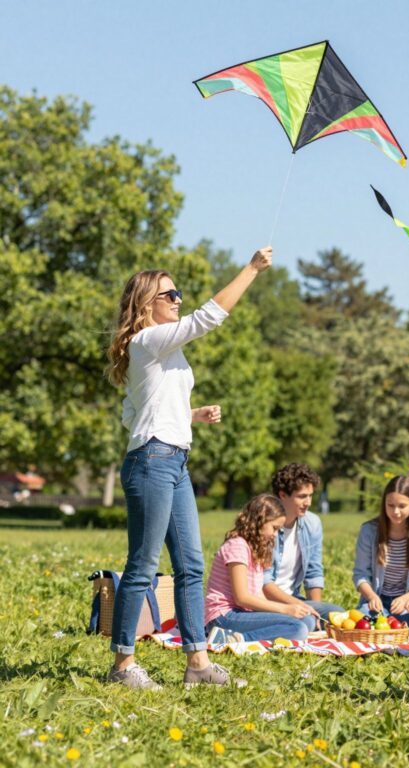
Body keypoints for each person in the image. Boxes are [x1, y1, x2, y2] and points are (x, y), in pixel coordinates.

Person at [104, 246, 272, 689]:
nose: (178, 299)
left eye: (178, 293)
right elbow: (208, 318)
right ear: (146, 305)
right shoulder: (148, 340)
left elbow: (131, 412)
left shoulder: (158, 351)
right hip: (153, 461)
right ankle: (122, 666)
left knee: (191, 566)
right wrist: (251, 269)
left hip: (174, 459)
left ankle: (197, 664)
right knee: (142, 566)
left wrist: (189, 414)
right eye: (169, 294)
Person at [205, 494, 316, 646]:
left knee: (306, 620)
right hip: (224, 615)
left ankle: (241, 635)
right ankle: (235, 639)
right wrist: (285, 610)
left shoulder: (256, 548)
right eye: (274, 528)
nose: (275, 535)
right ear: (260, 520)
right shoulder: (237, 545)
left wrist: (288, 611)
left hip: (243, 613)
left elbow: (258, 594)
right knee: (298, 628)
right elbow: (241, 598)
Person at [262, 463, 343, 626]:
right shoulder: (265, 526)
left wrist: (317, 613)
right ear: (283, 495)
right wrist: (301, 607)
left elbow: (313, 572)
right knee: (306, 622)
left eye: (310, 495)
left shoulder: (312, 523)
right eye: (302, 496)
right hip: (266, 602)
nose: (308, 502)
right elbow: (263, 582)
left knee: (338, 616)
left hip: (295, 600)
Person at [352, 475, 409, 627]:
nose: (395, 511)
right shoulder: (369, 531)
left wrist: (405, 599)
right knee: (363, 623)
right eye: (390, 505)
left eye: (402, 506)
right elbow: (361, 574)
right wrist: (371, 596)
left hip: (408, 603)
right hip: (376, 602)